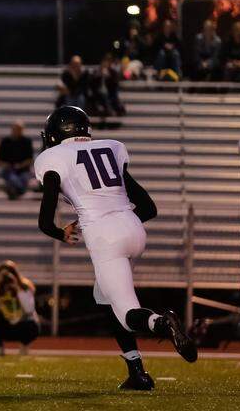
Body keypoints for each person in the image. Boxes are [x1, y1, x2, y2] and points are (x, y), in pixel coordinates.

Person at [35, 105, 196, 392]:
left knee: (127, 313)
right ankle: (136, 371)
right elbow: (148, 207)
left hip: (105, 237)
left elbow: (45, 223)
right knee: (104, 297)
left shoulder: (53, 158)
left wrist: (64, 233)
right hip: (135, 229)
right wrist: (113, 222)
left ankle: (162, 323)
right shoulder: (110, 149)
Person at [0, 261, 39, 355]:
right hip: (6, 326)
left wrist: (17, 287)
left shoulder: (25, 287)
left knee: (31, 323)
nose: (6, 279)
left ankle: (24, 346)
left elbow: (29, 310)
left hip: (23, 326)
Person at [0, 122, 34, 200]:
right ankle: (19, 191)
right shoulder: (5, 142)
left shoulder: (26, 142)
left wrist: (20, 165)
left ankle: (14, 192)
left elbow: (30, 160)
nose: (16, 131)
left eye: (19, 129)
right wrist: (8, 166)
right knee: (13, 178)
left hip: (23, 169)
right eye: (15, 129)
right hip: (8, 169)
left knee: (23, 178)